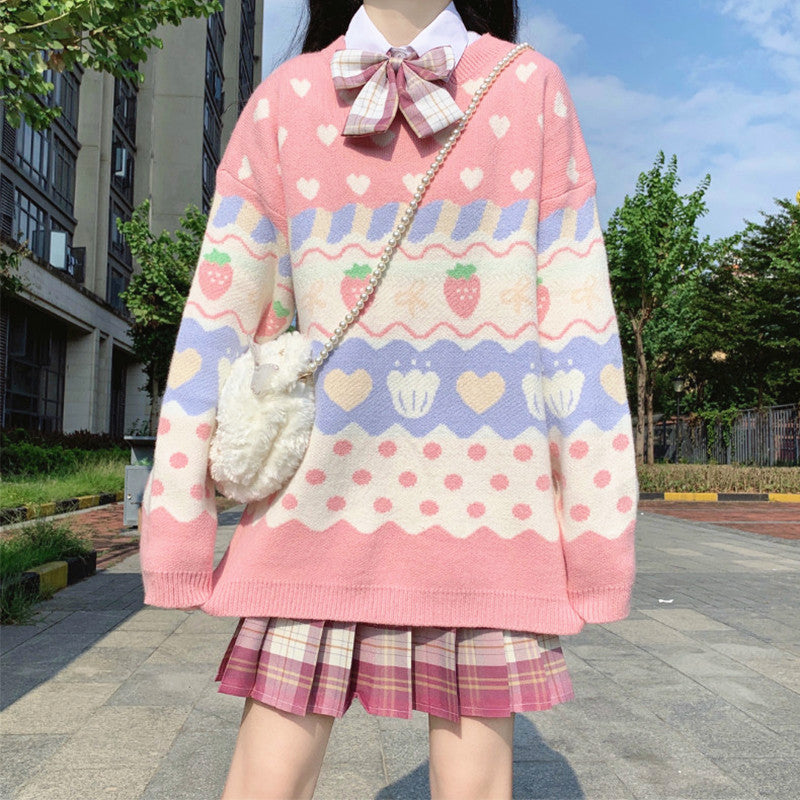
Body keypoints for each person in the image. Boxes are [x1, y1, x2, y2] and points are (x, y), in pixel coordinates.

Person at [138, 1, 638, 797]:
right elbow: (217, 325)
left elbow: (579, 328)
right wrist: (176, 533)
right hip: (389, 509)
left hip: (466, 519)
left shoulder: (528, 88)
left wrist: (600, 543)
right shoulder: (288, 100)